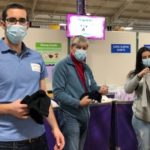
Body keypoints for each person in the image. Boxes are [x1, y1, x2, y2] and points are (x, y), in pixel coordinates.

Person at [0, 3, 64, 150]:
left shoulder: (36, 57)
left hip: (38, 139)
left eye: (22, 21)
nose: (18, 24)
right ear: (3, 24)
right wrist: (8, 109)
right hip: (5, 142)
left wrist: (55, 128)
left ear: (27, 25)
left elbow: (43, 99)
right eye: (12, 20)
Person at [52, 35, 108, 150]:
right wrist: (78, 103)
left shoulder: (86, 67)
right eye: (79, 47)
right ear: (72, 48)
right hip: (69, 116)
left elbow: (91, 86)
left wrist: (100, 89)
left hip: (85, 115)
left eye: (84, 48)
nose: (82, 51)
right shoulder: (61, 66)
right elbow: (58, 93)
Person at [124, 47, 150, 150]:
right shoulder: (133, 74)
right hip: (141, 118)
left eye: (149, 56)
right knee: (144, 147)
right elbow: (128, 89)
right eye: (144, 57)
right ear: (140, 59)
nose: (147, 59)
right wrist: (139, 75)